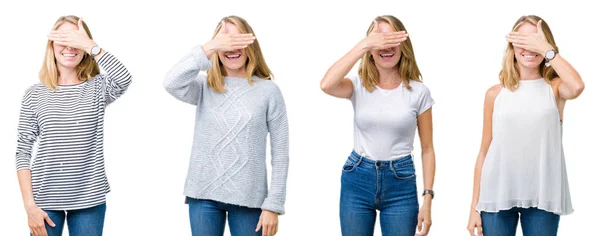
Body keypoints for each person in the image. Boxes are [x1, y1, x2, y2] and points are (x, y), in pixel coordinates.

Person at [163, 15, 289, 236]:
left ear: (251, 45)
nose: (231, 46)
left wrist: (273, 204)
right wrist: (209, 47)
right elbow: (171, 82)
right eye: (224, 40)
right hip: (203, 195)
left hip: (250, 199)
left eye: (237, 39)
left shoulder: (269, 91)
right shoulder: (204, 86)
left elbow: (280, 153)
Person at [467, 15, 584, 236]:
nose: (530, 48)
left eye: (536, 42)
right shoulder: (495, 94)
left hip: (543, 197)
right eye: (523, 41)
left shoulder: (555, 88)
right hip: (497, 195)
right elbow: (484, 152)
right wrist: (474, 206)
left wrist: (547, 49)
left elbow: (577, 86)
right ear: (512, 46)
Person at [15, 15, 132, 236]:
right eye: (63, 39)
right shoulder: (34, 94)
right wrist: (29, 205)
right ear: (51, 45)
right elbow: (23, 150)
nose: (70, 47)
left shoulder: (98, 88)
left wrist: (90, 45)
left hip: (90, 198)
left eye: (75, 40)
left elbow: (124, 78)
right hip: (44, 199)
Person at [320, 15, 436, 236]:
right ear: (370, 49)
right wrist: (363, 45)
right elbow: (326, 84)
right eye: (379, 40)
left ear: (403, 44)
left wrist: (428, 199)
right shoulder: (358, 86)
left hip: (400, 182)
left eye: (392, 38)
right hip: (357, 178)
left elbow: (428, 149)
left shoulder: (419, 92)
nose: (386, 46)